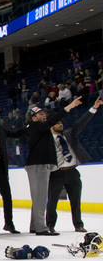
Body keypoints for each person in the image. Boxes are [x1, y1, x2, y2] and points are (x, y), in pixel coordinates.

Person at [24, 99, 80, 236]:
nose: (44, 116)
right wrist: (69, 107)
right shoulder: (38, 126)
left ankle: (34, 226)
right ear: (34, 117)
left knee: (38, 198)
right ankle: (42, 228)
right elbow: (53, 120)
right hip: (39, 166)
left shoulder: (34, 128)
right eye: (41, 114)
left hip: (40, 166)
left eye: (44, 114)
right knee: (41, 197)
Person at [46, 97, 100, 233]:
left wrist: (93, 108)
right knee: (52, 201)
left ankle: (78, 224)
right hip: (56, 173)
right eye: (58, 123)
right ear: (51, 126)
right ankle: (50, 225)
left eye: (61, 123)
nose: (61, 125)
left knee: (75, 200)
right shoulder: (46, 140)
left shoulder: (69, 134)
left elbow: (81, 123)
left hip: (72, 172)